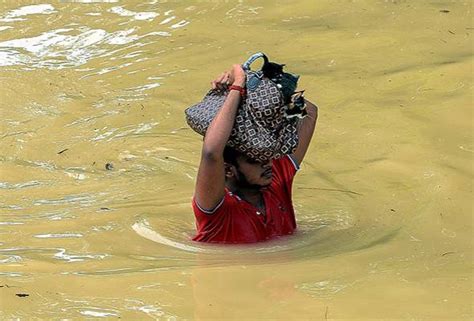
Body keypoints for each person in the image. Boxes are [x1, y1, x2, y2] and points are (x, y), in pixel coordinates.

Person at [192, 64, 318, 243]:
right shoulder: (216, 209)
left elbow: (310, 112)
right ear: (228, 170)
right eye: (254, 160)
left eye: (267, 156)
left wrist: (260, 87)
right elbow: (211, 152)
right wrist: (236, 87)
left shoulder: (277, 180)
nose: (267, 163)